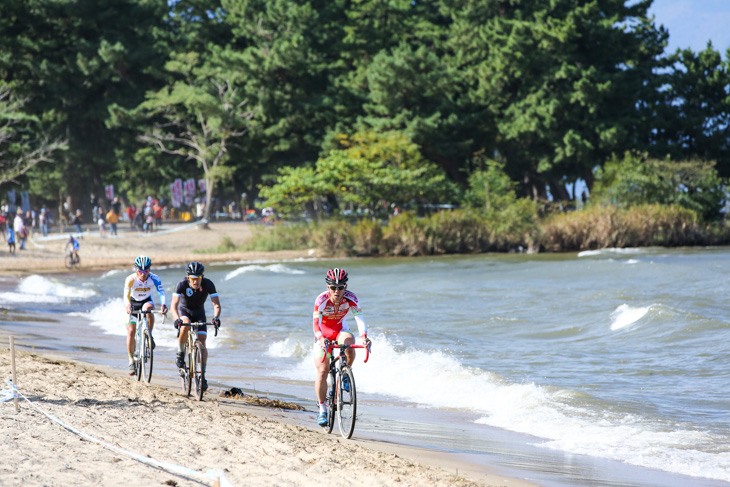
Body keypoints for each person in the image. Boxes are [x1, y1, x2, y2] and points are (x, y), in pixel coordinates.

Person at [312, 268, 371, 426]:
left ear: (346, 286)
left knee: (349, 343)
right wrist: (321, 338)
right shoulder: (321, 299)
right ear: (327, 287)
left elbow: (359, 319)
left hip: (339, 329)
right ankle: (322, 408)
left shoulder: (351, 298)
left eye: (341, 287)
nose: (337, 291)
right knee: (323, 371)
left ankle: (345, 372)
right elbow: (316, 324)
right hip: (323, 333)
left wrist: (364, 337)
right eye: (333, 287)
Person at [171, 261, 221, 391]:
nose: (195, 281)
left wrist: (216, 318)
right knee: (185, 325)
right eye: (193, 278)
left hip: (199, 313)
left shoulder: (208, 284)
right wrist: (177, 319)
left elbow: (216, 305)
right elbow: (174, 305)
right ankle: (180, 353)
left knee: (202, 341)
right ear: (188, 277)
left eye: (198, 278)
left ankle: (202, 375)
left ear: (202, 277)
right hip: (184, 311)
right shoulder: (181, 284)